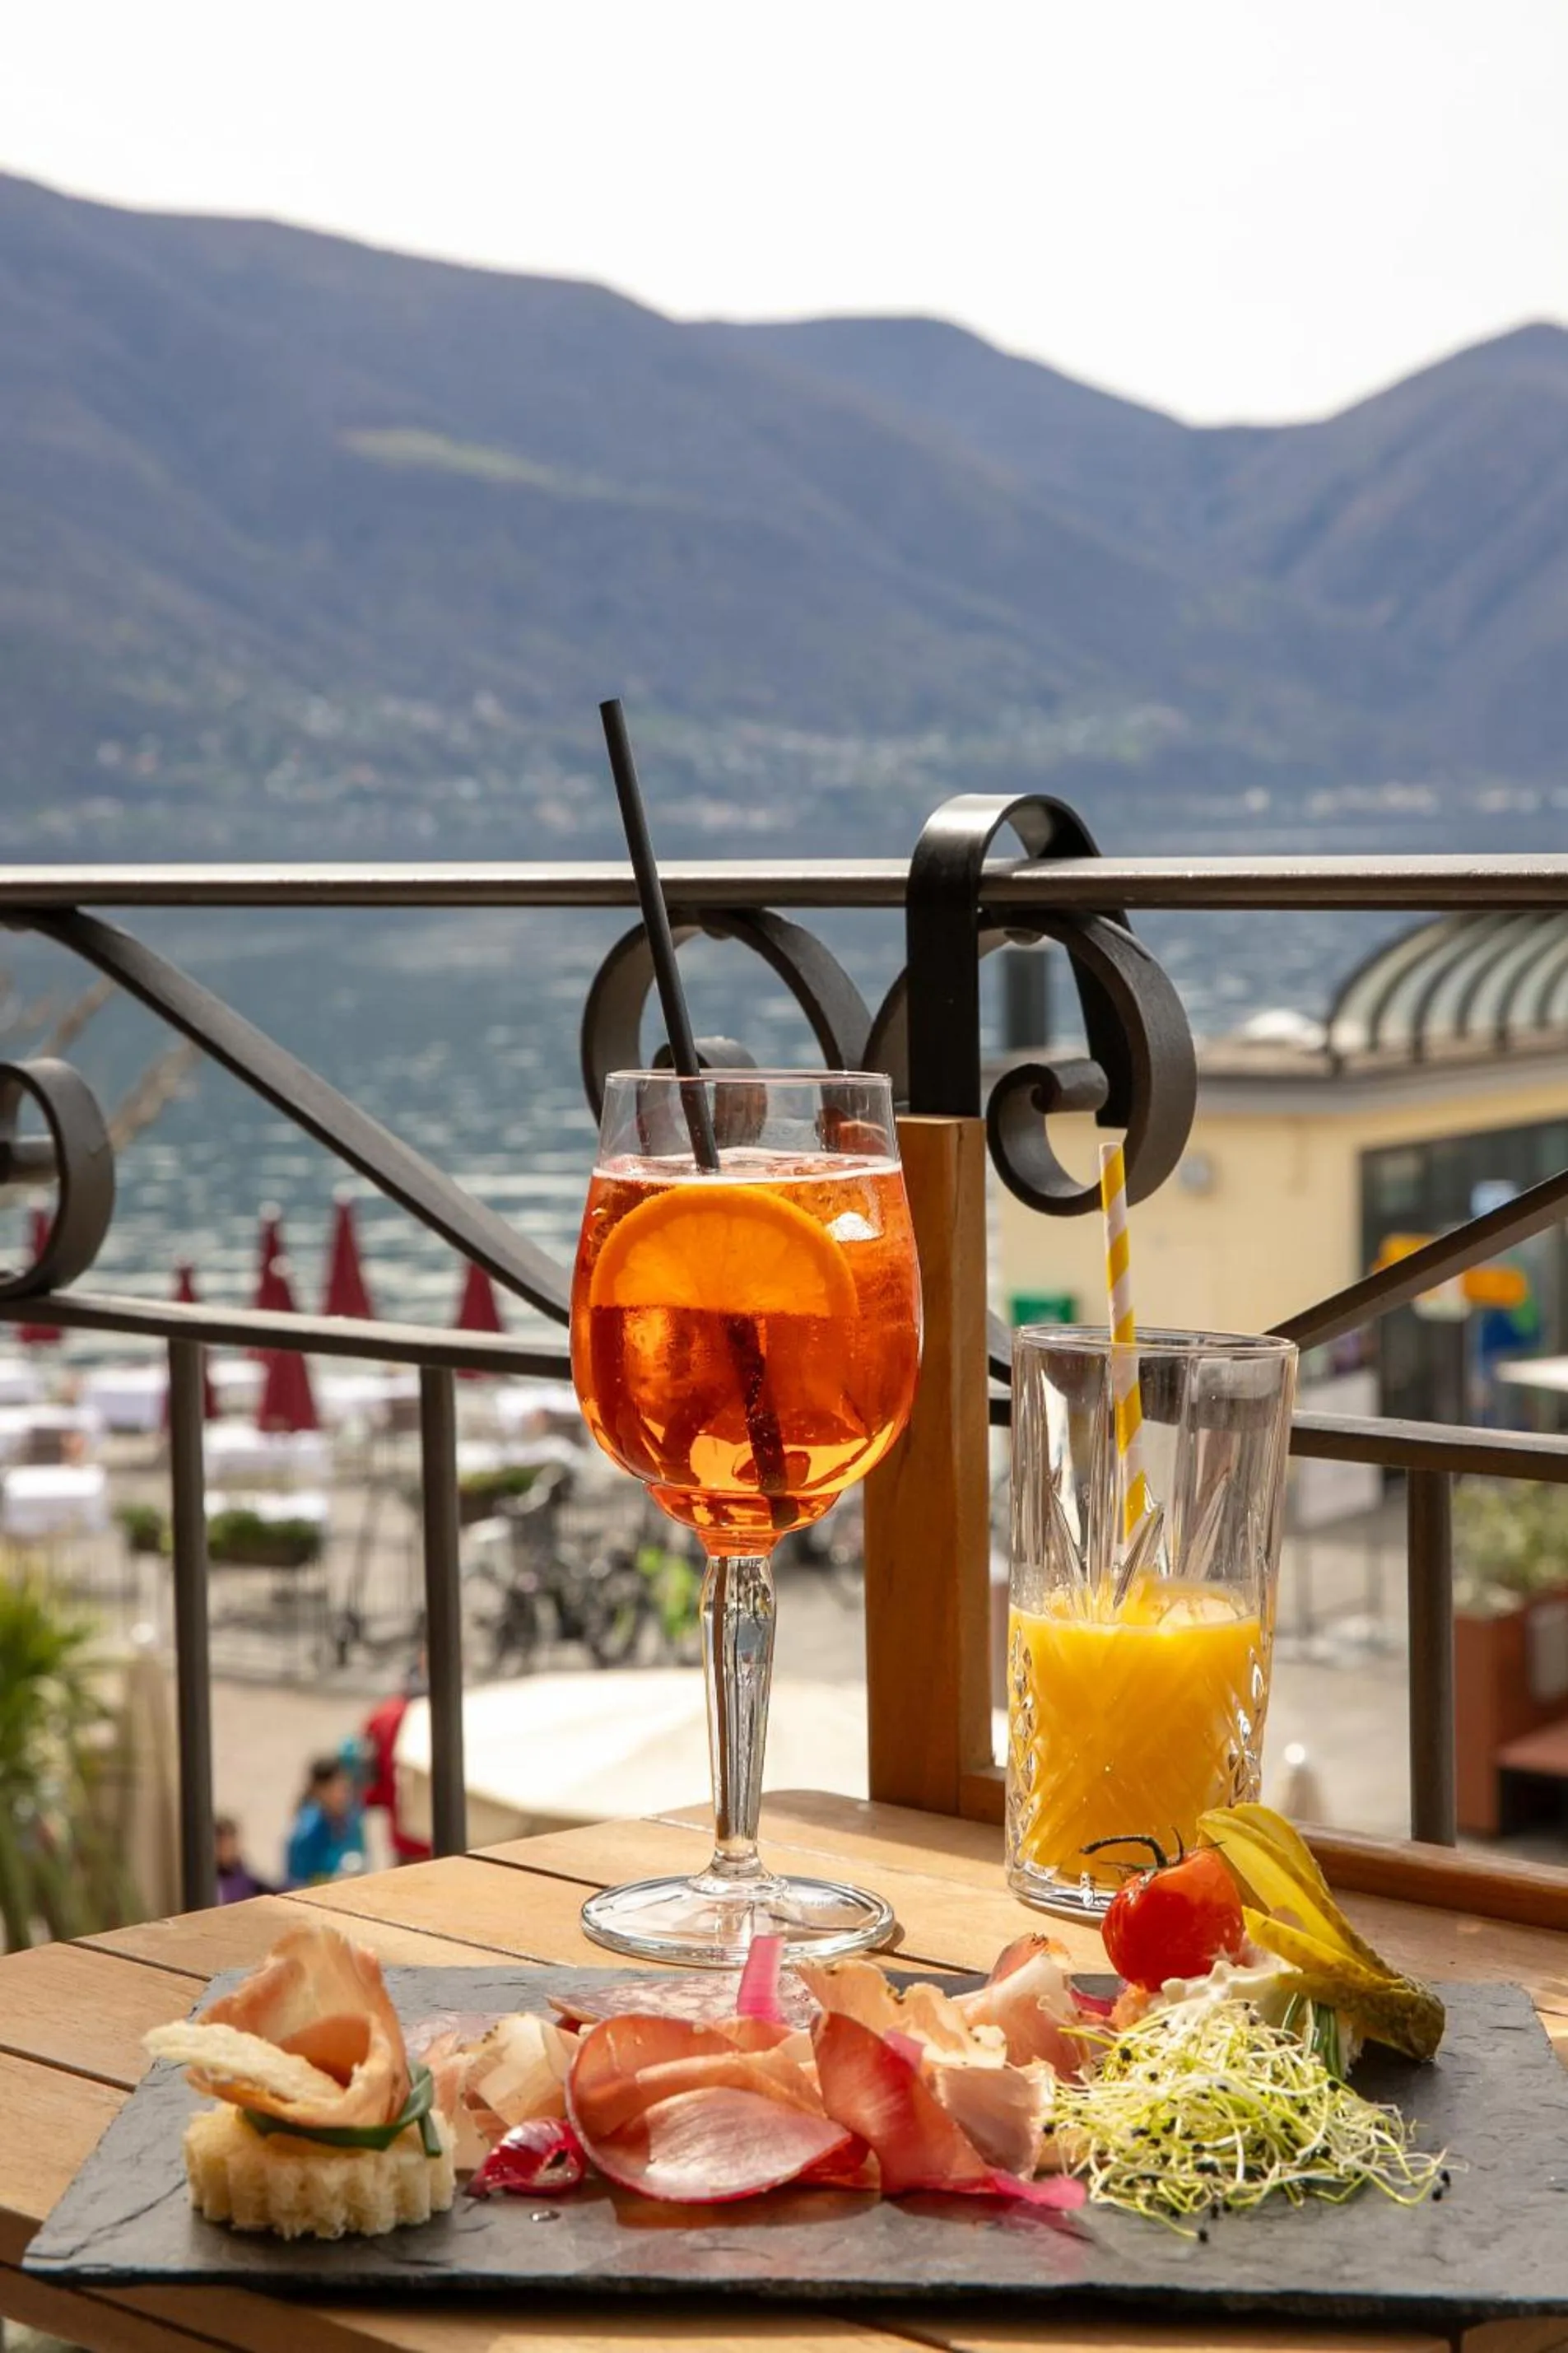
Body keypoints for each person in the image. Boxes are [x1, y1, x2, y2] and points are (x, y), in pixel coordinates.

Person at [360, 1661, 432, 1866]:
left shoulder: (383, 1714)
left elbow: (368, 1767)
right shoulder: (433, 1715)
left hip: (399, 1816)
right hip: (430, 1820)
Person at [283, 1755, 367, 1888]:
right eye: (338, 1789)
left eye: (347, 1788)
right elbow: (296, 1884)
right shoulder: (305, 1834)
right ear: (320, 1791)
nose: (345, 1796)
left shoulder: (353, 1816)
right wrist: (334, 1880)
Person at [214, 1815, 272, 1903]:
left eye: (231, 1844)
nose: (226, 1849)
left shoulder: (247, 1880)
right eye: (222, 1844)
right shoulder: (209, 1882)